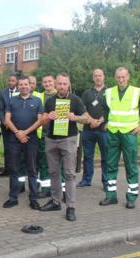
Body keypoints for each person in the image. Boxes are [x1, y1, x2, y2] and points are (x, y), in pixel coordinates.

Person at [99, 67, 140, 209]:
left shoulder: (137, 92)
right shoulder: (109, 92)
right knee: (110, 165)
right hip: (112, 133)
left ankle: (131, 197)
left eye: (123, 77)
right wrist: (106, 122)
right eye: (118, 77)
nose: (121, 80)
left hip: (129, 134)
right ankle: (110, 196)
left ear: (128, 77)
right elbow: (105, 108)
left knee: (131, 166)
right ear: (115, 77)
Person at [39, 73, 89, 221]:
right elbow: (41, 121)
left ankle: (70, 207)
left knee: (69, 174)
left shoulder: (75, 100)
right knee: (53, 172)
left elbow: (86, 118)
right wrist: (48, 117)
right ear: (55, 84)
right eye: (59, 83)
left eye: (64, 84)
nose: (61, 86)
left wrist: (75, 117)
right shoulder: (49, 101)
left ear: (69, 84)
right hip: (51, 140)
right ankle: (55, 201)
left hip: (68, 139)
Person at [3, 76, 43, 209]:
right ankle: (13, 198)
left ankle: (33, 198)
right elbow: (7, 120)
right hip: (14, 140)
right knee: (14, 169)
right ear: (18, 86)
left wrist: (25, 133)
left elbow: (40, 120)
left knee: (32, 170)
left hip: (31, 140)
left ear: (30, 86)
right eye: (21, 85)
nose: (24, 86)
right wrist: (18, 133)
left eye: (26, 84)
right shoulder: (12, 100)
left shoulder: (37, 101)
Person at [77, 69, 108, 189]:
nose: (98, 78)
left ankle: (106, 181)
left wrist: (100, 120)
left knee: (106, 157)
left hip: (104, 130)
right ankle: (86, 180)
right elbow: (82, 109)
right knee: (88, 156)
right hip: (88, 130)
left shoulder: (110, 92)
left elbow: (111, 109)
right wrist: (91, 120)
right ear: (93, 77)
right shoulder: (87, 93)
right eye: (95, 76)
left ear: (103, 77)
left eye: (100, 75)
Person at [34, 74, 60, 198]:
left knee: (58, 163)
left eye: (49, 81)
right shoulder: (39, 97)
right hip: (43, 134)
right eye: (45, 82)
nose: (47, 84)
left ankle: (59, 188)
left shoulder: (61, 96)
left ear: (54, 82)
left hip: (59, 134)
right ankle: (45, 188)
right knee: (43, 162)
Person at [0, 74, 19, 177]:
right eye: (9, 80)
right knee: (7, 148)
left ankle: (16, 169)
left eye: (13, 81)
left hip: (17, 125)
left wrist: (14, 124)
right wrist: (4, 122)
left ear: (17, 82)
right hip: (6, 126)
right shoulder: (3, 93)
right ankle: (7, 170)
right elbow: (1, 109)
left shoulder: (20, 92)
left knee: (16, 148)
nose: (11, 82)